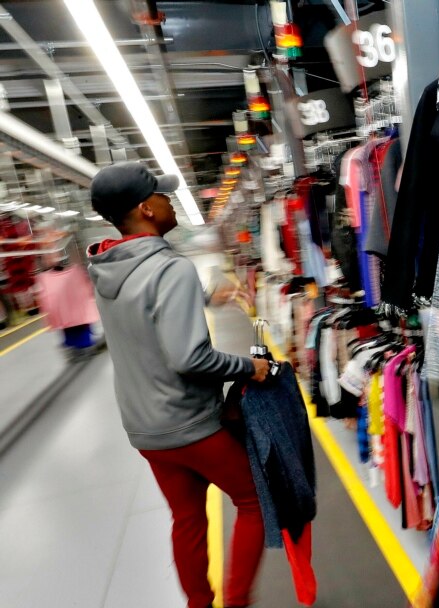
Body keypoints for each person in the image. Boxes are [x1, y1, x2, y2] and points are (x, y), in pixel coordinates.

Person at [86, 162, 270, 608]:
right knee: (254, 502)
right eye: (162, 196)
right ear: (146, 209)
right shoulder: (171, 268)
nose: (170, 203)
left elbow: (141, 307)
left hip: (145, 427)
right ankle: (237, 601)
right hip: (190, 425)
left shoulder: (105, 266)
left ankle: (198, 604)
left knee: (187, 519)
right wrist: (250, 368)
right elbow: (190, 358)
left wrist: (203, 298)